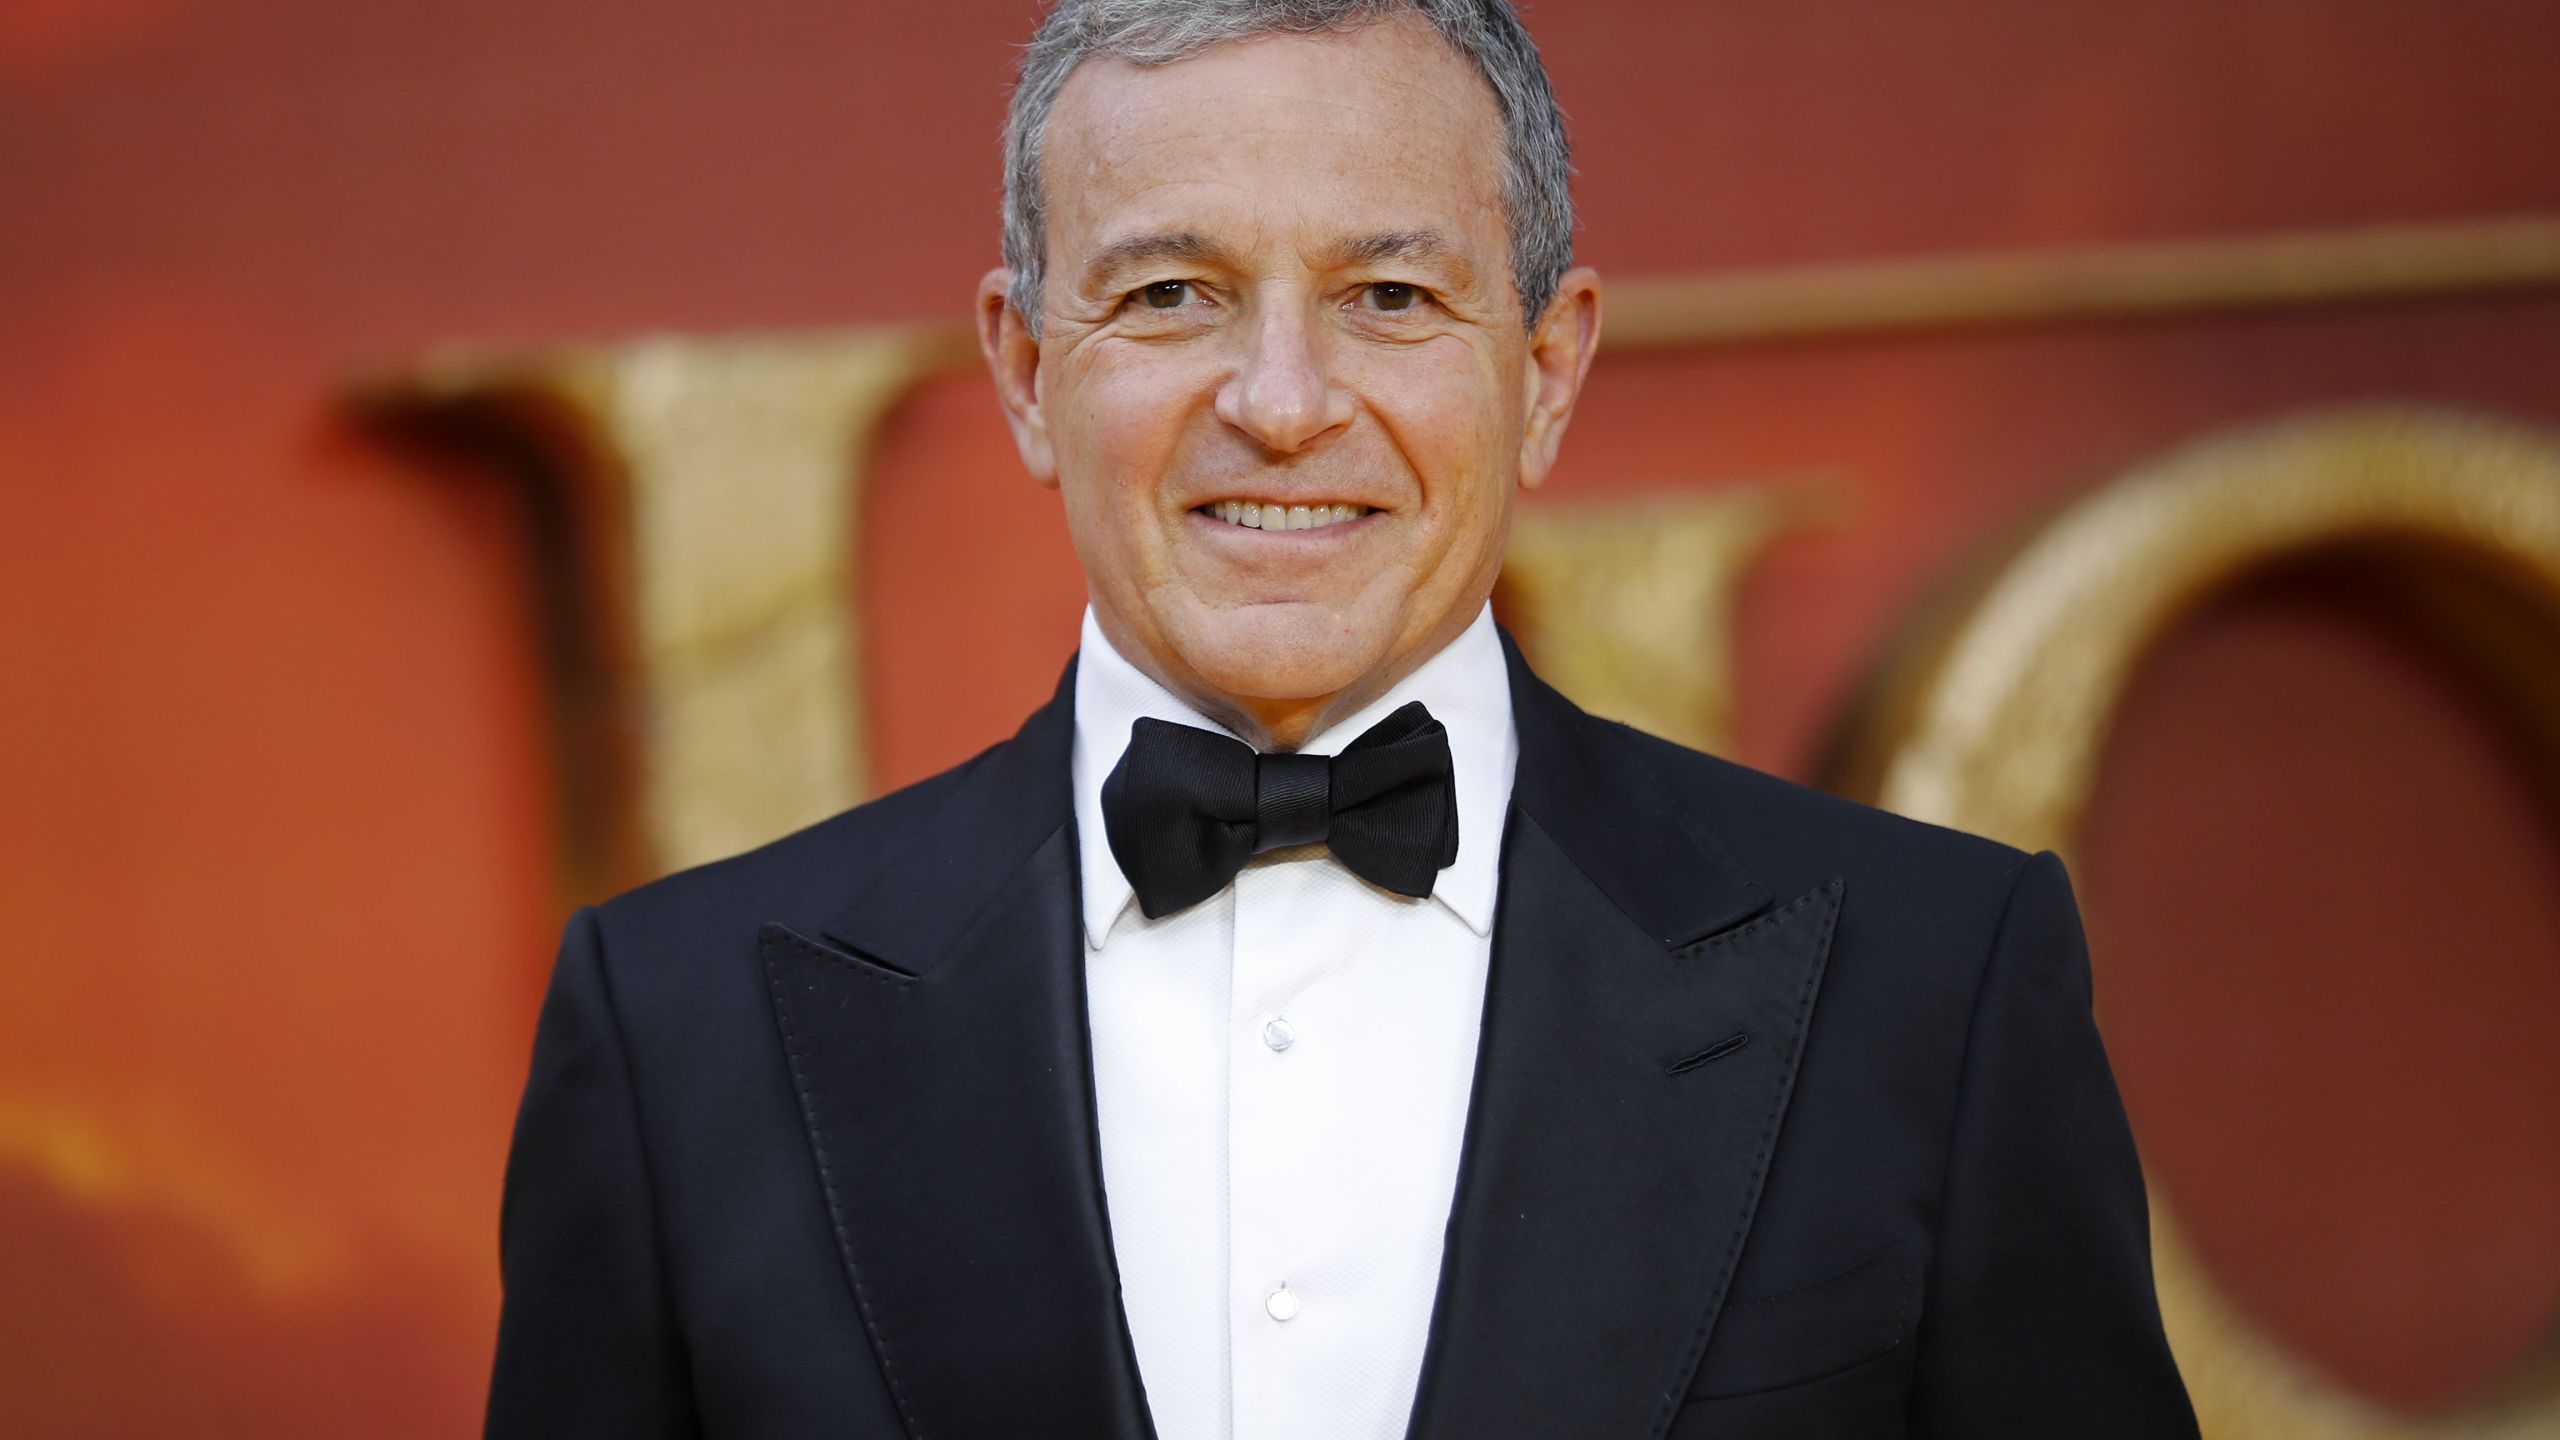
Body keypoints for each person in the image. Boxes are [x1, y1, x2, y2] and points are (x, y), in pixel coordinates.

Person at [484, 2, 2201, 1436]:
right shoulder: (673, 1033)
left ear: (1547, 370)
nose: (1284, 404)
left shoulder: (1936, 987)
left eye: (1390, 298)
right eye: (1171, 294)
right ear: (1023, 369)